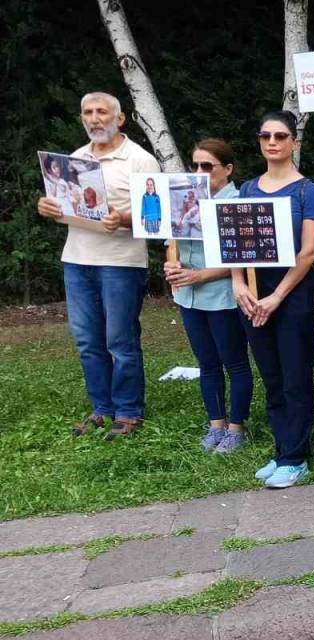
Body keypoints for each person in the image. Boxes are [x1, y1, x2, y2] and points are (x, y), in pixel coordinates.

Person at [37, 92, 160, 440]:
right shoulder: (73, 160)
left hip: (121, 262)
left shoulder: (140, 160)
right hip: (77, 259)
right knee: (88, 341)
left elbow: (157, 218)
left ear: (119, 119)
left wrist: (123, 219)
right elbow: (67, 206)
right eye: (88, 112)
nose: (95, 118)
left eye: (102, 112)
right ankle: (102, 408)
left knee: (119, 341)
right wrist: (49, 207)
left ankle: (128, 411)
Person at [231, 110, 314, 489]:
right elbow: (234, 244)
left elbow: (309, 252)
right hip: (254, 296)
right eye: (266, 135)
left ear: (294, 142)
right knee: (270, 375)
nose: (272, 142)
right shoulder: (247, 190)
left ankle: (295, 456)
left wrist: (277, 296)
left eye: (281, 136)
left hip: (294, 295)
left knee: (295, 375)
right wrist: (239, 285)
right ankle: (282, 446)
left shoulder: (308, 191)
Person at [162, 138, 253, 454]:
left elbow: (243, 257)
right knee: (206, 362)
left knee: (234, 362)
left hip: (223, 296)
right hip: (189, 296)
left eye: (207, 166)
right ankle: (216, 424)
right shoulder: (184, 198)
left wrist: (199, 275)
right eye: (195, 165)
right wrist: (172, 263)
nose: (199, 172)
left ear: (227, 169)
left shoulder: (237, 201)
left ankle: (237, 428)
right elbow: (170, 240)